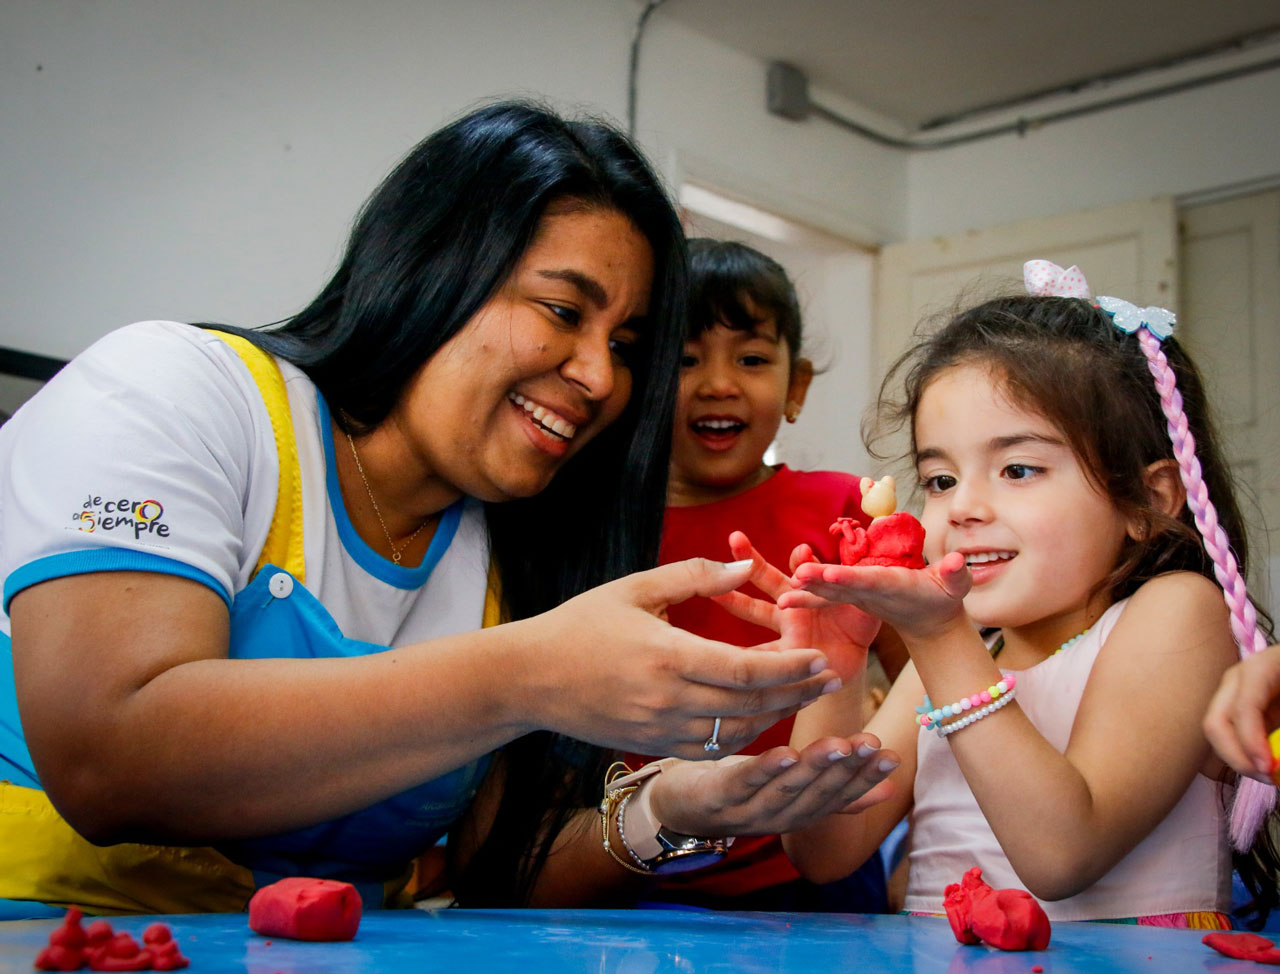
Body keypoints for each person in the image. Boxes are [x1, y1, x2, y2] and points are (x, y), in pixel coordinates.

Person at [0, 101, 898, 918]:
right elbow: (106, 757)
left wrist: (668, 811)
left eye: (625, 345)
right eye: (560, 310)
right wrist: (523, 675)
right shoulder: (177, 391)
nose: (598, 376)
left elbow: (497, 867)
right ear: (431, 265)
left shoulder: (516, 539)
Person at [736, 260, 1276, 925]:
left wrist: (937, 636)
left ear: (1146, 500)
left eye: (1018, 469)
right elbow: (825, 852)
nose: (962, 507)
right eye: (939, 479)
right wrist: (834, 674)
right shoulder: (961, 650)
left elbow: (1061, 855)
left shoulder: (1177, 611)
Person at [627, 239, 893, 912]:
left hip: (814, 876)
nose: (719, 383)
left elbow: (935, 672)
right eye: (685, 360)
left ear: (796, 386)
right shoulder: (606, 531)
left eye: (750, 358)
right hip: (637, 876)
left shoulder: (846, 510)